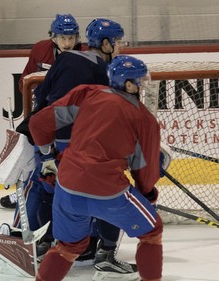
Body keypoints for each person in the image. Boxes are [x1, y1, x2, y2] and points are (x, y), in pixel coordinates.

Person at [11, 18, 137, 275]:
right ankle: (104, 253)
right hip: (79, 147)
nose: (122, 46)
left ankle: (41, 245)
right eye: (119, 41)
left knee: (45, 191)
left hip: (46, 139)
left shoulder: (65, 60)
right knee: (106, 193)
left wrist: (45, 151)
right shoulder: (107, 72)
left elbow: (43, 96)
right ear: (106, 43)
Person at [30, 55, 163, 281]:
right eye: (140, 80)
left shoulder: (87, 93)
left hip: (68, 186)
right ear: (129, 84)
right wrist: (147, 193)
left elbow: (38, 123)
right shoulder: (144, 119)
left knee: (69, 247)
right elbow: (144, 169)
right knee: (152, 232)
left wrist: (47, 158)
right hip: (109, 192)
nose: (143, 85)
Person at [0, 13, 85, 209]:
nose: (67, 42)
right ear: (53, 37)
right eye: (63, 37)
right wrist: (33, 93)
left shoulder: (84, 54)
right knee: (27, 144)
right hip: (46, 109)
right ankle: (22, 188)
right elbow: (25, 79)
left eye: (71, 37)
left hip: (71, 114)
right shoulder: (40, 49)